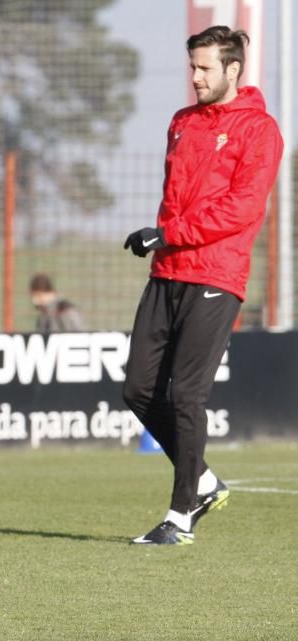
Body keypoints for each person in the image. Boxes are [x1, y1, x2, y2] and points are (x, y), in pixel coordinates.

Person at [121, 26, 282, 546]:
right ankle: (206, 482)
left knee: (187, 394)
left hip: (216, 276)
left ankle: (180, 516)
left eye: (204, 68)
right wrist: (162, 239)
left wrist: (168, 233)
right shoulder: (181, 123)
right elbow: (176, 198)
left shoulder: (260, 130)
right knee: (138, 389)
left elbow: (241, 209)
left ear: (233, 69)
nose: (194, 78)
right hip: (166, 273)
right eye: (192, 67)